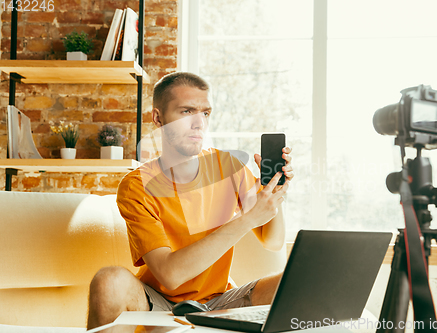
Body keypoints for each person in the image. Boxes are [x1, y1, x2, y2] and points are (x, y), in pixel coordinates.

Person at [86, 72, 294, 330]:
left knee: (301, 282)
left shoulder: (228, 167)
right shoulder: (137, 186)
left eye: (205, 113)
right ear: (158, 117)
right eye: (186, 112)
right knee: (109, 281)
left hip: (219, 302)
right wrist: (246, 220)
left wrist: (274, 192)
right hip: (158, 302)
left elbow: (273, 242)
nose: (198, 124)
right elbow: (170, 276)